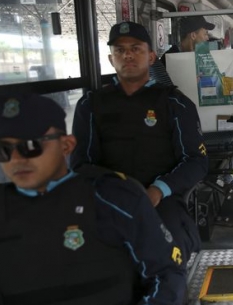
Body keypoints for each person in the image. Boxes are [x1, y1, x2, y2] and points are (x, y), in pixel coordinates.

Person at [0, 94, 184, 305]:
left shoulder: (114, 199)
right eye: (3, 150)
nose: (16, 159)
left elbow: (167, 273)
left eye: (31, 146)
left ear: (67, 145)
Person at [71, 21, 208, 282]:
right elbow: (80, 164)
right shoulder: (91, 104)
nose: (128, 55)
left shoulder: (174, 103)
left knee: (167, 253)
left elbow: (196, 161)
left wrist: (158, 190)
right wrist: (118, 191)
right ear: (111, 59)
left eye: (136, 48)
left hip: (161, 200)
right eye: (120, 51)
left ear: (151, 57)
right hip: (108, 200)